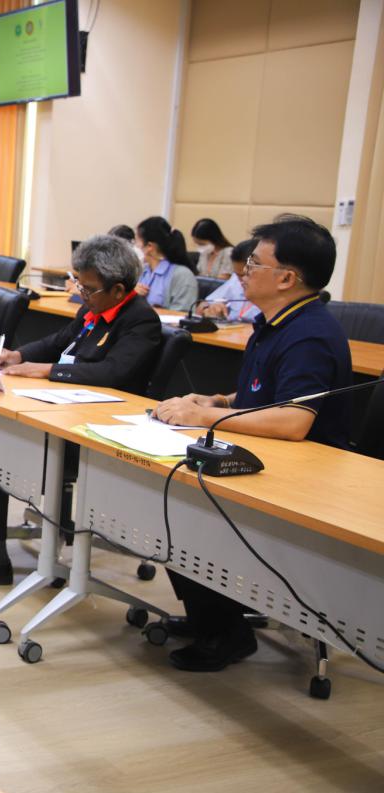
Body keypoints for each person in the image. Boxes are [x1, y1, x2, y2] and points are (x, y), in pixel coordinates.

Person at [154, 215, 351, 672]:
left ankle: (226, 633)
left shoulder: (310, 334)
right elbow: (266, 396)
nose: (242, 272)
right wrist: (220, 400)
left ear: (286, 278)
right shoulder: (276, 322)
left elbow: (294, 421)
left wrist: (203, 417)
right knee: (171, 494)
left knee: (192, 506)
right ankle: (210, 617)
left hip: (306, 474)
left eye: (255, 264)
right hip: (271, 458)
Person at [0, 235, 163, 584]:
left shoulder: (140, 320)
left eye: (89, 289)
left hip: (93, 433)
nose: (82, 295)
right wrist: (19, 355)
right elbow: (57, 342)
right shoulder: (92, 310)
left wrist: (46, 370)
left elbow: (113, 373)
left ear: (118, 290)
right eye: (80, 285)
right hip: (61, 413)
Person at [134, 216, 197, 311]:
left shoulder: (183, 275)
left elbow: (182, 314)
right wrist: (131, 295)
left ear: (149, 246)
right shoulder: (142, 271)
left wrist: (152, 311)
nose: (135, 247)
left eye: (137, 242)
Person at [194, 238, 261, 322]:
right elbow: (201, 306)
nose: (242, 280)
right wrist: (208, 308)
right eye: (238, 275)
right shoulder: (235, 281)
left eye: (245, 275)